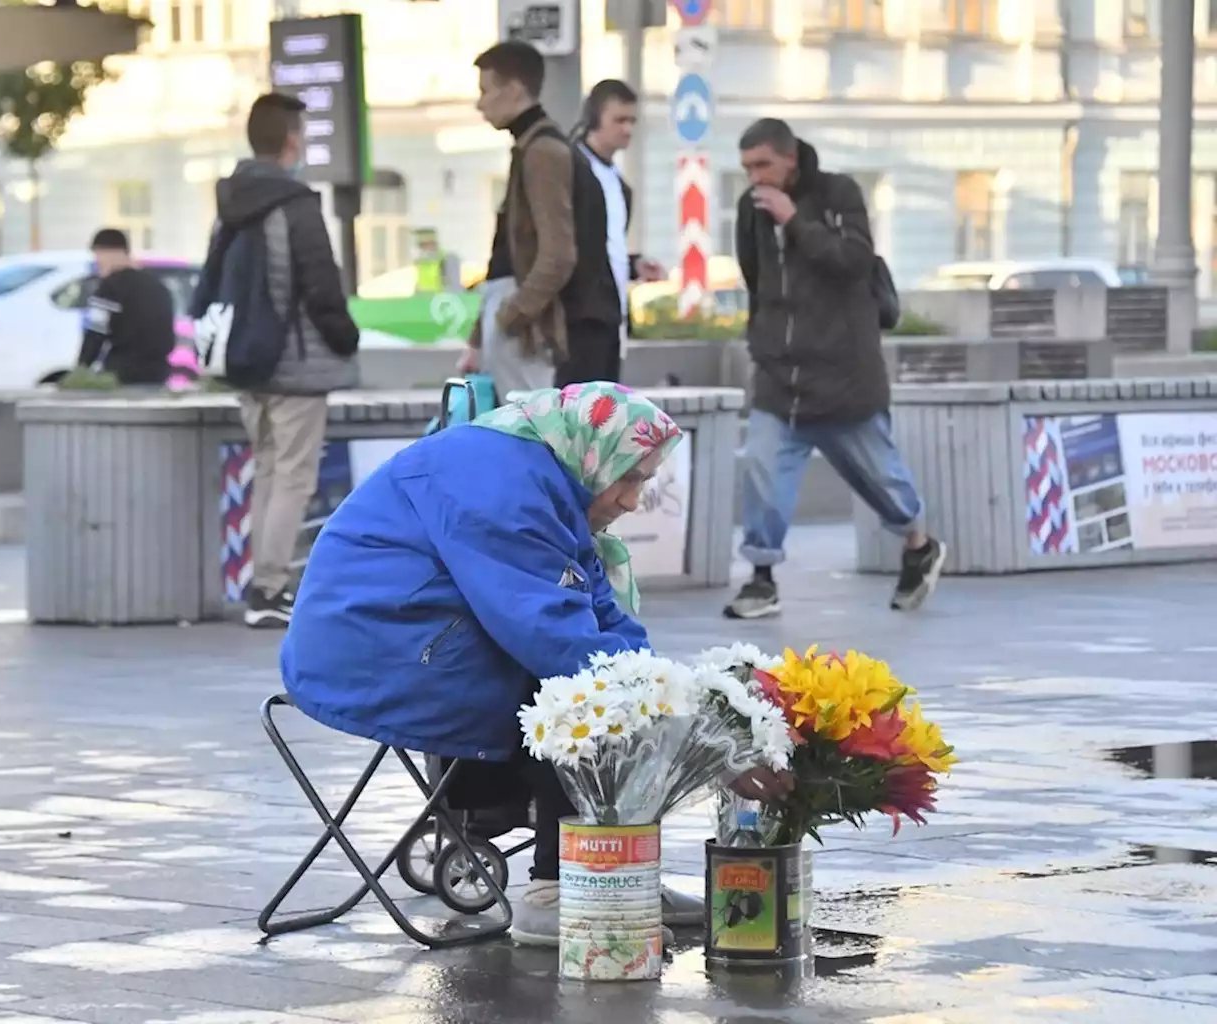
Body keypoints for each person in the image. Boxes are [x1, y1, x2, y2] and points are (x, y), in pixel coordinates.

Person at [282, 382, 772, 947]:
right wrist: (699, 739)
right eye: (631, 477)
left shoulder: (546, 473)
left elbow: (598, 613)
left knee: (611, 688)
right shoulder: (501, 484)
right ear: (594, 452)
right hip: (374, 655)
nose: (634, 500)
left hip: (414, 632)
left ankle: (614, 865)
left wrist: (682, 706)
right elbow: (554, 638)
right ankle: (559, 886)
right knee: (580, 699)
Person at [724, 118, 946, 620]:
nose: (755, 177)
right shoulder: (749, 209)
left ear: (789, 158)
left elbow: (853, 260)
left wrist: (795, 221)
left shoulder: (837, 193)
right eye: (747, 168)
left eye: (763, 165)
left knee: (882, 480)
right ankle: (761, 578)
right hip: (781, 379)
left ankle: (918, 543)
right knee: (762, 470)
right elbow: (755, 277)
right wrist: (763, 339)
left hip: (844, 375)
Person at [192, 92, 360, 629]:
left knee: (266, 468)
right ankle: (267, 588)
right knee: (292, 477)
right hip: (296, 365)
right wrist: (345, 338)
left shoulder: (231, 205)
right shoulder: (295, 203)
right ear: (291, 139)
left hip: (247, 362)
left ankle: (260, 586)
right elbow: (322, 287)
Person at [456, 42, 622, 394]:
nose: (480, 103)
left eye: (486, 90)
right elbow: (508, 251)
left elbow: (557, 256)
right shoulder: (536, 147)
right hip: (557, 323)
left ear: (514, 90)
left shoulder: (543, 151)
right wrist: (482, 332)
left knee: (535, 438)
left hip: (554, 332)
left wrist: (508, 318)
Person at [573, 79, 666, 371]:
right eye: (619, 120)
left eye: (632, 121)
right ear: (594, 118)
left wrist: (633, 264)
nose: (627, 129)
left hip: (611, 320)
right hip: (576, 322)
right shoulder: (572, 169)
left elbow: (602, 249)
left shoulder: (619, 185)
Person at [77, 228, 174, 386]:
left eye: (98, 255)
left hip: (121, 373)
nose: (97, 262)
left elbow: (95, 334)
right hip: (158, 373)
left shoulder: (108, 289)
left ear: (110, 253)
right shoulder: (158, 287)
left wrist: (81, 370)